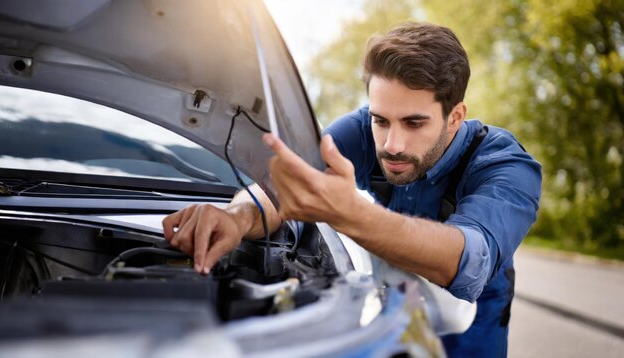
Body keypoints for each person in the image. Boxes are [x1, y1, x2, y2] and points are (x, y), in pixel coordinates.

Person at [162, 22, 542, 357]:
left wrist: (349, 213)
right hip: (399, 292)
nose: (392, 144)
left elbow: (467, 262)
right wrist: (238, 216)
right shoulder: (363, 128)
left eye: (414, 123)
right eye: (381, 120)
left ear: (455, 116)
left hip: (474, 314)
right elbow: (293, 181)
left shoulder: (506, 167)